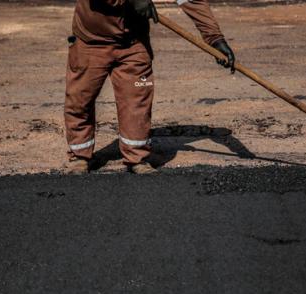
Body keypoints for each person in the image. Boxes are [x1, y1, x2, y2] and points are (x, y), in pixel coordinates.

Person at [64, 0, 235, 174]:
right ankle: (80, 156)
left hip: (134, 44)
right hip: (91, 42)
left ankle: (137, 157)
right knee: (80, 99)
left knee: (137, 101)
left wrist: (215, 38)